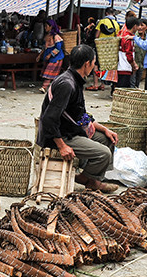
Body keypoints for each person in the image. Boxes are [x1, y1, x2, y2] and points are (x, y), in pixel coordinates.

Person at [37, 44, 119, 193]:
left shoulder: (75, 80)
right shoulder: (67, 84)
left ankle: (93, 180)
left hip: (72, 129)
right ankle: (86, 178)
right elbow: (49, 119)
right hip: (61, 135)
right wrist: (62, 146)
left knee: (108, 139)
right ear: (87, 64)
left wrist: (105, 129)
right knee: (103, 153)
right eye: (93, 63)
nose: (94, 66)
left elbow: (80, 115)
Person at [38, 19, 64, 92]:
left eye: (46, 26)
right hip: (50, 58)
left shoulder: (56, 37)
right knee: (52, 73)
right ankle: (53, 88)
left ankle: (44, 87)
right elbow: (45, 47)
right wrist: (40, 55)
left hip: (56, 58)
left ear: (51, 26)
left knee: (49, 72)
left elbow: (58, 48)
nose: (45, 28)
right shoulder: (47, 36)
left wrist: (50, 55)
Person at [115, 16, 138, 92]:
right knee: (123, 91)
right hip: (125, 67)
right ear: (134, 26)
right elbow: (129, 54)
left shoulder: (121, 35)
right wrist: (133, 64)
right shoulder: (129, 38)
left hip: (119, 66)